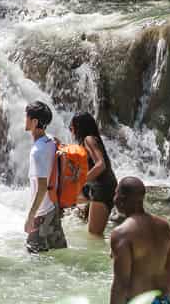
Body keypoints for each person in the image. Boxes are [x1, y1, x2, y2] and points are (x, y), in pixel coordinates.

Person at [109, 177, 170, 304]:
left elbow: (120, 284)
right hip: (160, 300)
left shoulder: (121, 233)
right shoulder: (164, 226)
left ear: (121, 199)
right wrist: (166, 298)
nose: (114, 199)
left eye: (115, 193)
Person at [24, 101, 66, 253]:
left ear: (34, 122)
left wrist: (30, 216)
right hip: (53, 207)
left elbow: (41, 187)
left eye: (27, 117)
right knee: (57, 253)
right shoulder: (52, 141)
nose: (25, 119)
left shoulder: (38, 151)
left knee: (34, 260)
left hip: (41, 213)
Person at [72, 112, 117, 237]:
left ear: (79, 127)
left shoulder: (89, 139)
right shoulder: (90, 140)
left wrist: (81, 182)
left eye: (72, 127)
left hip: (102, 188)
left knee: (94, 235)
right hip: (98, 187)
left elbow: (100, 165)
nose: (71, 130)